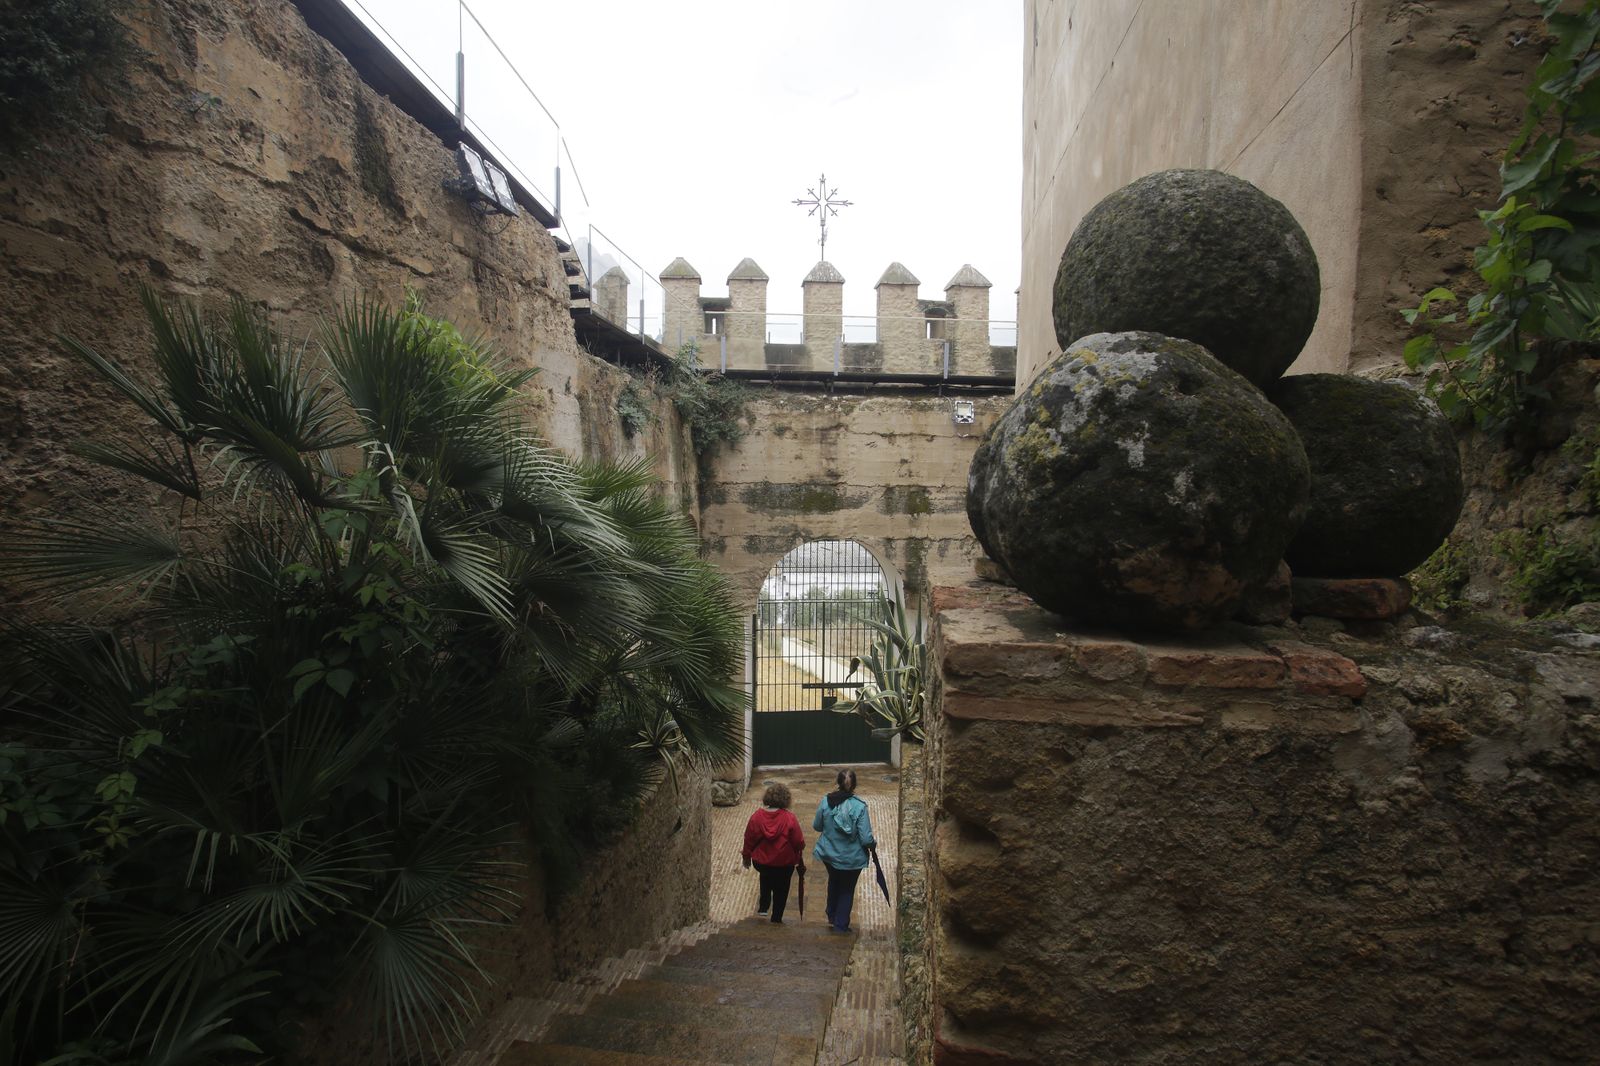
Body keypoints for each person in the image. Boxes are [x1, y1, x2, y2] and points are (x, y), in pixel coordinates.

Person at [812, 768, 875, 934]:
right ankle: (840, 925)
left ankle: (832, 915)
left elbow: (817, 826)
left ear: (838, 783)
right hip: (851, 858)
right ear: (854, 785)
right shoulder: (860, 807)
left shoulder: (826, 801)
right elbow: (866, 838)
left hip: (829, 855)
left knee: (834, 880)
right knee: (847, 889)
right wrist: (873, 846)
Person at [742, 781, 806, 923]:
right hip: (784, 863)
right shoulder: (790, 818)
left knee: (766, 877)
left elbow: (749, 839)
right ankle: (776, 918)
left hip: (762, 863)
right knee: (782, 889)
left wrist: (746, 857)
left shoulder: (756, 817)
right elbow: (799, 842)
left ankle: (764, 907)